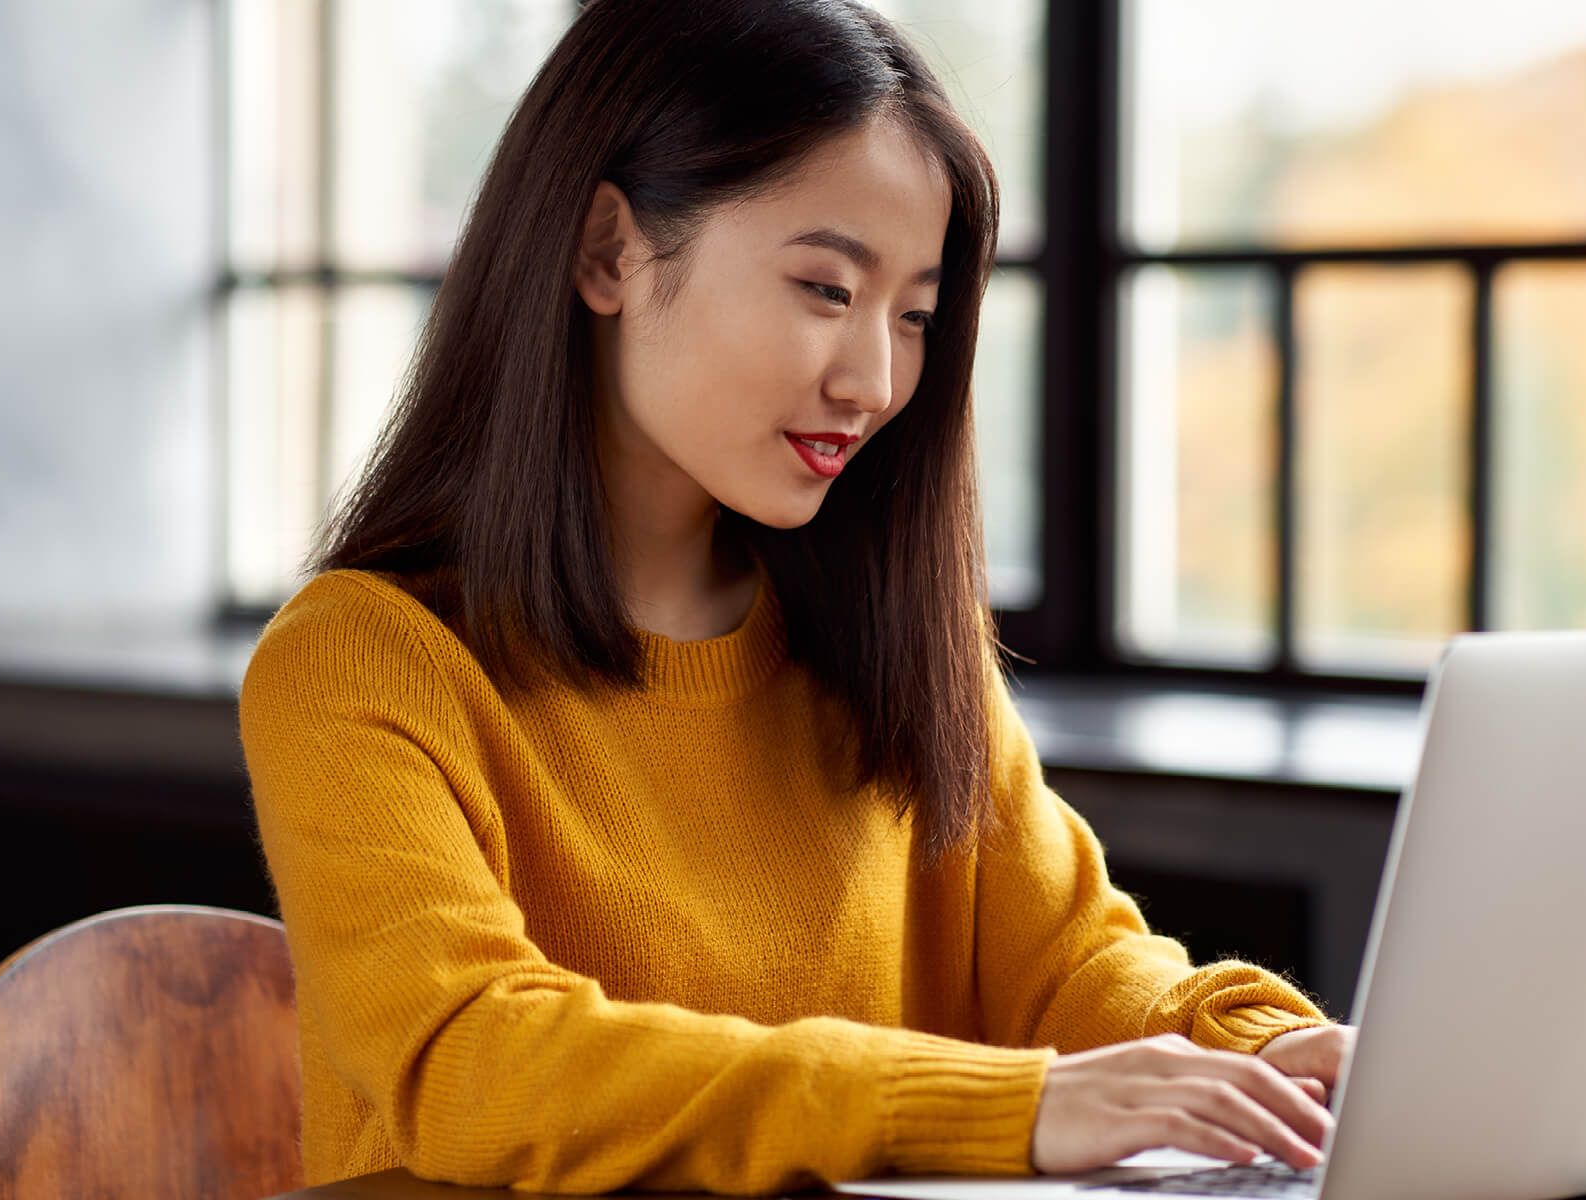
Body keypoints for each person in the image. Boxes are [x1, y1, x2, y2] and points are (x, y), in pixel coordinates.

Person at [239, 0, 1355, 1193]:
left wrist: (1271, 1058)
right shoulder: (361, 662)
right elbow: (477, 1059)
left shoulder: (888, 644)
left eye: (916, 316)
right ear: (608, 251)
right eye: (827, 289)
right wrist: (995, 1105)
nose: (875, 380)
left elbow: (1076, 968)